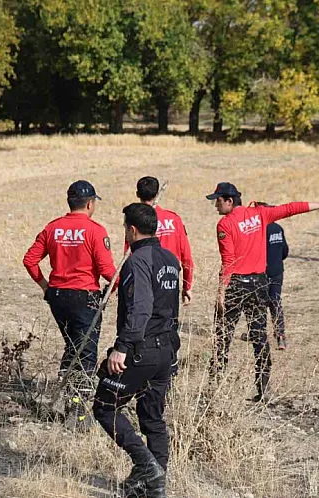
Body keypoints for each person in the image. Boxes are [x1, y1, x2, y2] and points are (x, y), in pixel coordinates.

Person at [206, 182, 319, 402]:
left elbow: (228, 260)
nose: (216, 206)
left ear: (229, 201)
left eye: (218, 201)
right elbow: (291, 208)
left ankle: (215, 389)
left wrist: (221, 292)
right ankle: (264, 388)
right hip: (259, 284)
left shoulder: (225, 224)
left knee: (222, 336)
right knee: (259, 337)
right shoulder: (260, 214)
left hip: (236, 285)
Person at [92, 203, 179, 498]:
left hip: (142, 350)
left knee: (105, 407)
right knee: (151, 417)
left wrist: (122, 348)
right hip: (166, 350)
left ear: (131, 229)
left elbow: (141, 308)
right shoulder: (169, 259)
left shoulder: (137, 260)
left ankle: (146, 467)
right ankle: (156, 487)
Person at [23, 180, 116, 423]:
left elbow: (30, 260)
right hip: (85, 297)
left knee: (72, 347)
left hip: (58, 297)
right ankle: (78, 411)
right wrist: (119, 286)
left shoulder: (53, 228)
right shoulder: (95, 231)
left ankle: (67, 396)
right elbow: (108, 271)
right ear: (89, 203)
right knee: (85, 353)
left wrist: (45, 287)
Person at [131, 176, 193, 375]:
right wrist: (186, 286)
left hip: (144, 279)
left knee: (142, 324)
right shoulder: (174, 219)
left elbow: (130, 254)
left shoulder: (136, 219)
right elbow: (186, 257)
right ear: (157, 193)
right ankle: (169, 369)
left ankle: (142, 368)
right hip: (169, 281)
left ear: (137, 194)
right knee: (168, 326)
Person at [264, 215, 288, 350]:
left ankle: (257, 334)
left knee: (259, 303)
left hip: (262, 272)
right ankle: (280, 336)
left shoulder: (260, 230)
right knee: (275, 302)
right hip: (278, 271)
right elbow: (285, 251)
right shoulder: (278, 228)